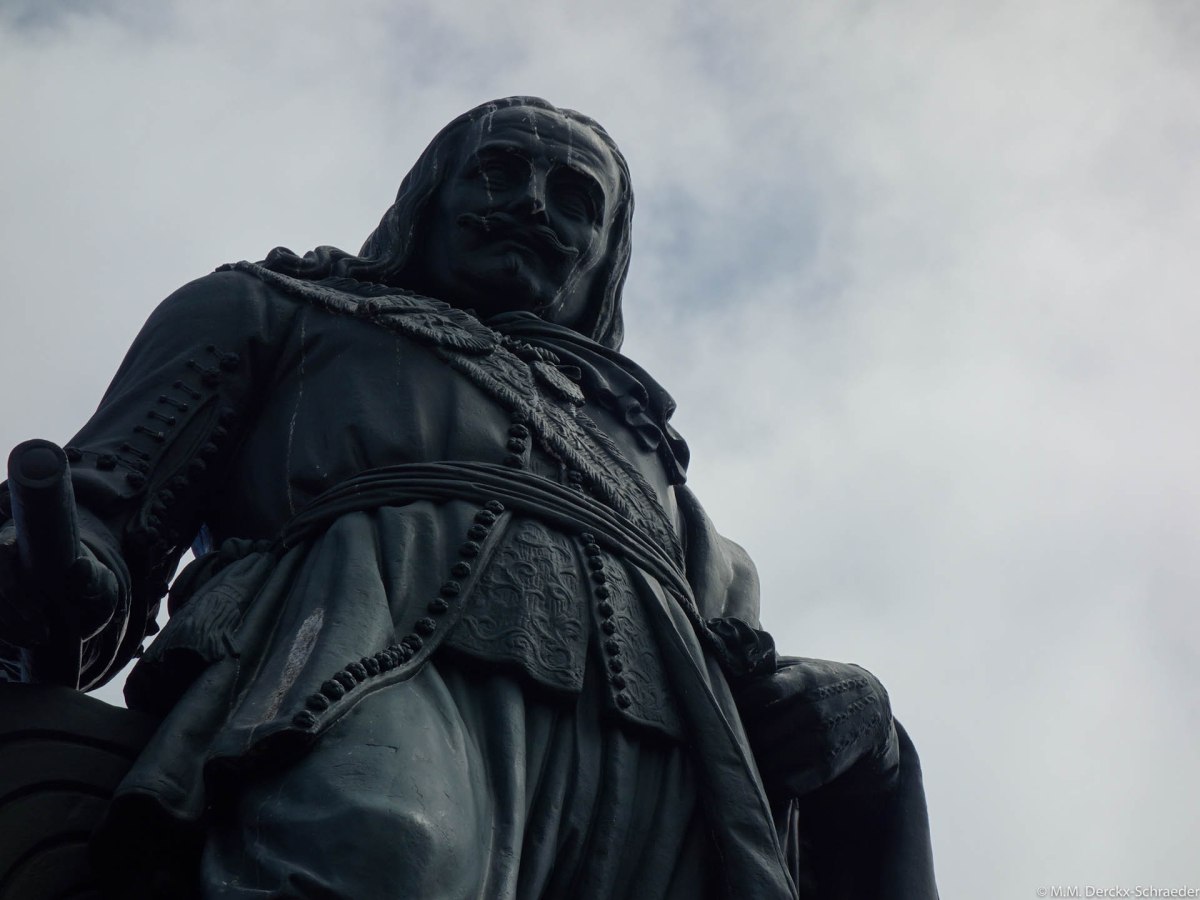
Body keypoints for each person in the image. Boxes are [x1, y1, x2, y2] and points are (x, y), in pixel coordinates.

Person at [0, 97, 937, 899]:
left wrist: (863, 721)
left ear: (603, 259)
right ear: (426, 199)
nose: (532, 204)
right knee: (378, 850)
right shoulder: (275, 307)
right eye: (499, 172)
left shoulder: (653, 460)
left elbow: (737, 656)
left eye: (575, 199)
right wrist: (60, 575)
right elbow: (108, 502)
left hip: (664, 764)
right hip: (353, 665)